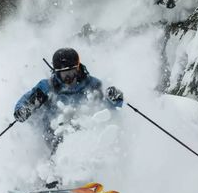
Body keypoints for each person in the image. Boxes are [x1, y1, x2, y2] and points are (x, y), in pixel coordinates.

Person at [13, 48, 124, 183]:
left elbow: (109, 106)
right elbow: (24, 102)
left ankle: (89, 173)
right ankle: (52, 176)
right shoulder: (47, 86)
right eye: (64, 74)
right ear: (56, 73)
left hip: (82, 127)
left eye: (72, 72)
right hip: (53, 131)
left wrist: (114, 97)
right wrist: (24, 110)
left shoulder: (92, 84)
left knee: (87, 134)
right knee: (60, 137)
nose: (69, 78)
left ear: (78, 68)